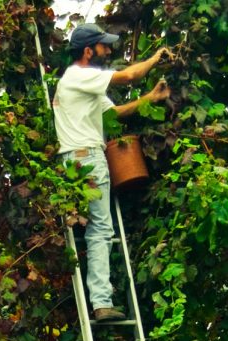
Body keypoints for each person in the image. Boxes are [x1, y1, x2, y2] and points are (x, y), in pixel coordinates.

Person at [53, 24, 171, 322]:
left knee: (92, 225)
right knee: (101, 230)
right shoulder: (80, 75)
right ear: (88, 51)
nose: (108, 51)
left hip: (74, 158)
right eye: (103, 46)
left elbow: (113, 113)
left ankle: (99, 299)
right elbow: (129, 76)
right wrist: (155, 58)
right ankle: (102, 302)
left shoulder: (81, 83)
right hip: (88, 157)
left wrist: (150, 98)